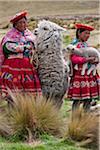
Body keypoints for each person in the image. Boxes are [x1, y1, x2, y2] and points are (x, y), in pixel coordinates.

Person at [0, 11, 41, 99]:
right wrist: (24, 48)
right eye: (20, 23)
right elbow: (7, 47)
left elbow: (36, 47)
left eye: (24, 22)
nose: (22, 24)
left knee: (28, 94)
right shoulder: (10, 36)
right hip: (13, 66)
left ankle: (26, 109)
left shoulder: (30, 35)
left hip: (28, 66)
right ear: (15, 25)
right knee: (12, 93)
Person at [67, 23, 100, 111]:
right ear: (79, 33)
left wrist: (95, 60)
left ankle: (86, 119)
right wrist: (87, 60)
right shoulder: (74, 45)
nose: (88, 35)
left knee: (88, 99)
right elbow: (74, 59)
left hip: (89, 75)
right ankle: (75, 120)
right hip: (79, 75)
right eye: (86, 33)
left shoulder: (86, 45)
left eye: (89, 33)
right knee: (77, 100)